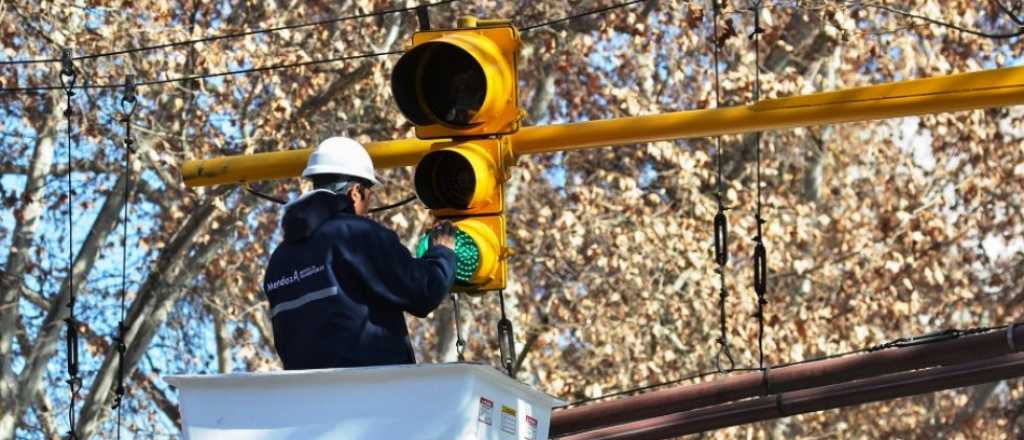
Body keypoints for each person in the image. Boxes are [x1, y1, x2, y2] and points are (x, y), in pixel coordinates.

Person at [262, 136, 457, 370]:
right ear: (356, 193)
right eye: (368, 196)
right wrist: (442, 253)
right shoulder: (355, 235)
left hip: (310, 397)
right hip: (369, 391)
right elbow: (424, 291)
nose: (368, 209)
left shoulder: (279, 258)